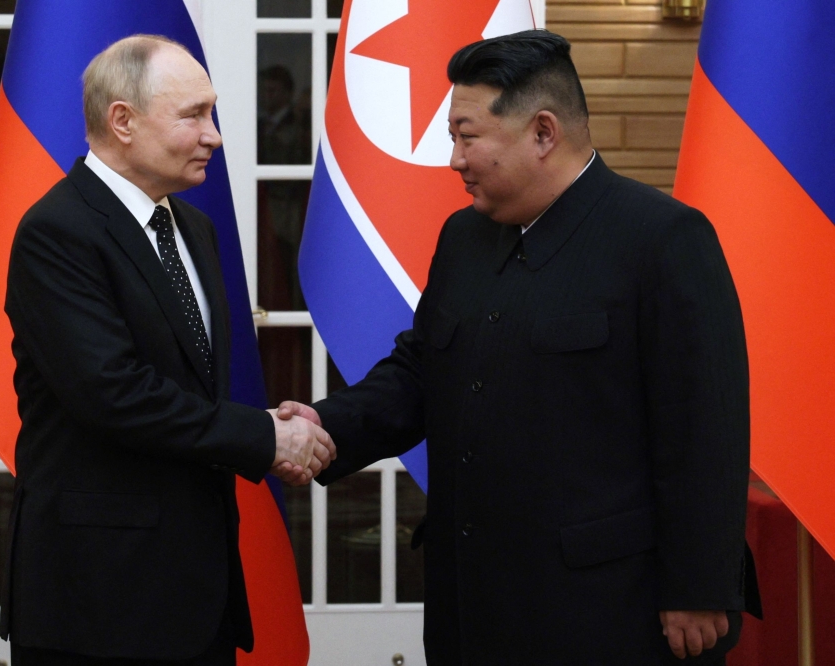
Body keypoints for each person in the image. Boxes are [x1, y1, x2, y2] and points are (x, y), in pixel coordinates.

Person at [277, 31, 759, 665]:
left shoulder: (662, 240)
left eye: (466, 136)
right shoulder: (463, 238)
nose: (453, 159)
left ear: (542, 132)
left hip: (607, 610)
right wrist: (326, 424)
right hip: (471, 604)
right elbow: (422, 371)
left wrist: (698, 585)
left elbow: (706, 427)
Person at [1, 35, 334, 666]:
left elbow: (192, 383)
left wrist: (275, 431)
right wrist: (264, 437)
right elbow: (113, 394)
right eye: (194, 115)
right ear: (122, 120)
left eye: (212, 113)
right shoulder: (57, 231)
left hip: (196, 594)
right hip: (97, 601)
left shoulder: (192, 227)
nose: (215, 135)